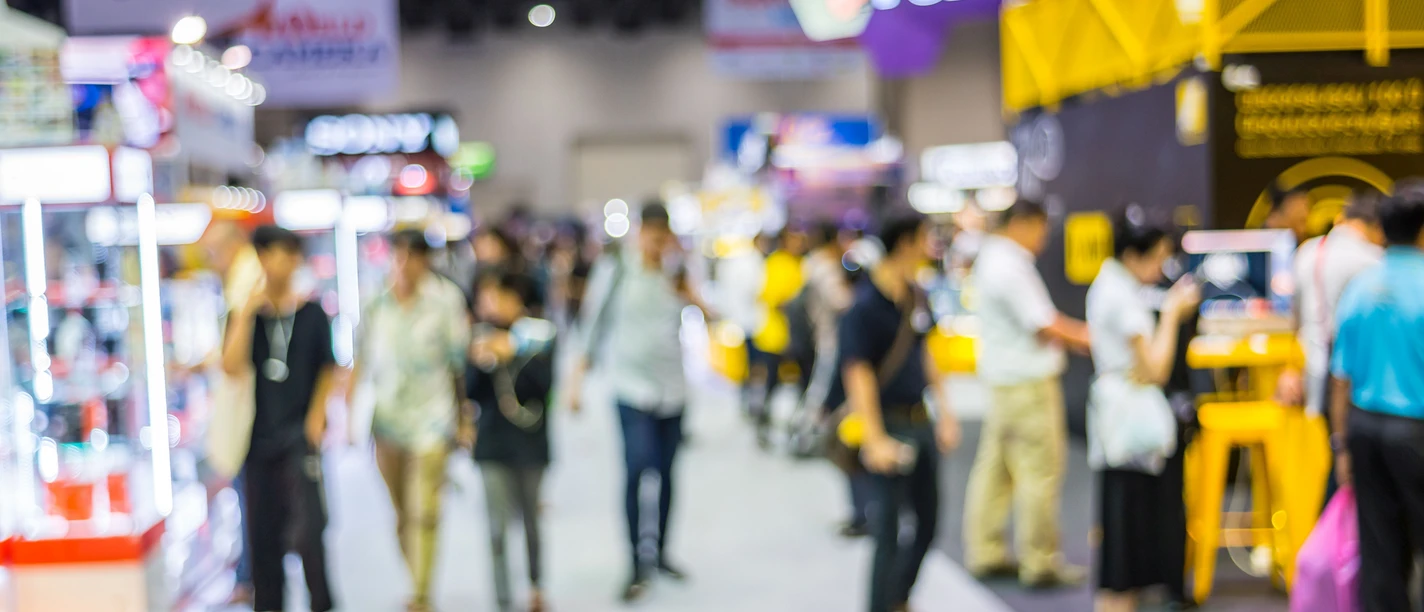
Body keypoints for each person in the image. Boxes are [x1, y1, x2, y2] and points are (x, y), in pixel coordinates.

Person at [568, 201, 712, 602]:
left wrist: (691, 295)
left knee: (667, 473)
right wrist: (575, 383)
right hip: (631, 389)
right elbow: (591, 324)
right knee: (637, 469)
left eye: (662, 236)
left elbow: (709, 316)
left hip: (673, 390)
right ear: (638, 232)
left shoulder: (678, 270)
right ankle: (635, 562)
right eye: (650, 234)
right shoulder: (616, 270)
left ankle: (661, 552)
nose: (655, 243)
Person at [963, 200, 1091, 587]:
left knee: (996, 470)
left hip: (1005, 385)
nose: (1043, 238)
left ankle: (985, 550)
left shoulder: (991, 258)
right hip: (1026, 387)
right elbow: (1043, 324)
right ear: (1021, 223)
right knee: (1040, 472)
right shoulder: (1009, 265)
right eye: (1040, 228)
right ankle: (1040, 561)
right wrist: (1091, 338)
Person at [349, 229, 470, 612]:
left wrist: (464, 418)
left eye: (412, 257)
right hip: (386, 421)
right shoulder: (375, 303)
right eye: (398, 255)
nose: (404, 265)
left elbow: (458, 364)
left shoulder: (445, 301)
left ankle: (421, 594)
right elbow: (361, 360)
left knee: (425, 510)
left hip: (433, 420)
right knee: (402, 512)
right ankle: (415, 575)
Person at [1085, 213, 1201, 612]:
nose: (1161, 270)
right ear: (1134, 256)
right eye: (1157, 260)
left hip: (1119, 414)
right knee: (1125, 518)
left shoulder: (1113, 285)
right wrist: (1171, 314)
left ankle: (1125, 592)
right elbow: (1155, 369)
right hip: (1128, 417)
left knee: (1125, 516)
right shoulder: (1122, 296)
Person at [846, 214, 961, 612]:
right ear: (906, 242)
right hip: (888, 423)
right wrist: (873, 437)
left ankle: (899, 598)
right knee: (888, 532)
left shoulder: (916, 295)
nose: (931, 245)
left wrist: (945, 412)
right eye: (925, 237)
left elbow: (926, 355)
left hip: (920, 421)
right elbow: (857, 373)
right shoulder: (865, 305)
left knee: (929, 522)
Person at [221, 226, 336, 612]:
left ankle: (321, 603)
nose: (279, 264)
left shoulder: (312, 313)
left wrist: (317, 419)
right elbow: (231, 366)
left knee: (309, 534)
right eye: (270, 255)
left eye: (288, 255)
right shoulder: (245, 315)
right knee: (262, 538)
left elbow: (328, 367)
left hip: (299, 438)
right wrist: (245, 312)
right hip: (256, 441)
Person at [1330, 180, 1424, 612]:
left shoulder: (1361, 287)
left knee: (1380, 554)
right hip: (1416, 433)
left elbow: (1341, 377)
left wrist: (1341, 445)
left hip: (1365, 428)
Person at [1278, 189, 1384, 504]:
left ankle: (1329, 543)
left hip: (1316, 371)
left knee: (1338, 460)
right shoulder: (1372, 261)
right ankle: (1338, 545)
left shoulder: (1307, 252)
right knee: (1353, 470)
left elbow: (1293, 320)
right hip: (1356, 380)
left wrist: (1290, 368)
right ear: (1373, 225)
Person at [468, 271, 557, 612]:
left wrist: (513, 354)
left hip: (530, 444)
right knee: (495, 528)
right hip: (492, 444)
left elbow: (544, 387)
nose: (490, 305)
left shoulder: (539, 335)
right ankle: (502, 599)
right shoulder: (480, 337)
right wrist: (481, 360)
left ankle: (536, 585)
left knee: (531, 522)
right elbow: (472, 393)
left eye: (496, 296)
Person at [199, 220, 263, 606]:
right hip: (242, 406)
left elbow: (234, 360)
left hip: (249, 409)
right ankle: (248, 572)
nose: (213, 262)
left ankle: (249, 576)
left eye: (214, 253)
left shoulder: (247, 282)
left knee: (248, 496)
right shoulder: (241, 280)